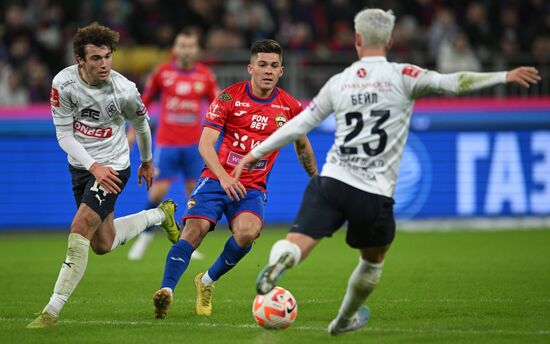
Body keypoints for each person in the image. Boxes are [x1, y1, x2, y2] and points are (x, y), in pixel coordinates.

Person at [234, 8, 541, 336]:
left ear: (357, 40)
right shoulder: (404, 75)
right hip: (373, 191)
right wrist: (502, 76)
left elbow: (300, 124)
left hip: (332, 180)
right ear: (391, 40)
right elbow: (453, 83)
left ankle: (283, 259)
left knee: (297, 241)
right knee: (372, 261)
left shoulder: (340, 81)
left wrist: (254, 152)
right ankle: (343, 319)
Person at [26, 23, 181, 329]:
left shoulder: (124, 90)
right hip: (81, 166)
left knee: (81, 226)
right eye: (96, 58)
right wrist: (90, 165)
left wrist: (146, 161)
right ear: (79, 59)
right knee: (102, 243)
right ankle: (159, 216)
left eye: (108, 56)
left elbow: (141, 125)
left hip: (113, 166)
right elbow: (64, 136)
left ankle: (51, 311)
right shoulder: (63, 83)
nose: (104, 64)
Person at [152, 39, 318, 319]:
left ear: (281, 72)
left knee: (247, 233)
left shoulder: (290, 107)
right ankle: (166, 292)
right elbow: (205, 146)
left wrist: (316, 178)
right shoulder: (229, 98)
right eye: (262, 65)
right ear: (250, 67)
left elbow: (302, 145)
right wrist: (224, 177)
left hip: (252, 187)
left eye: (274, 66)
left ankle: (206, 282)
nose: (268, 70)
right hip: (217, 179)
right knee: (195, 231)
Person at [127, 28, 219, 261]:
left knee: (194, 194)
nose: (186, 50)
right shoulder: (162, 73)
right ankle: (144, 239)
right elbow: (142, 105)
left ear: (196, 50)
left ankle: (190, 242)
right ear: (175, 49)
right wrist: (130, 137)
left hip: (193, 146)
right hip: (167, 144)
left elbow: (218, 108)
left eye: (190, 46)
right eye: (182, 46)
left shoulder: (205, 76)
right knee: (157, 191)